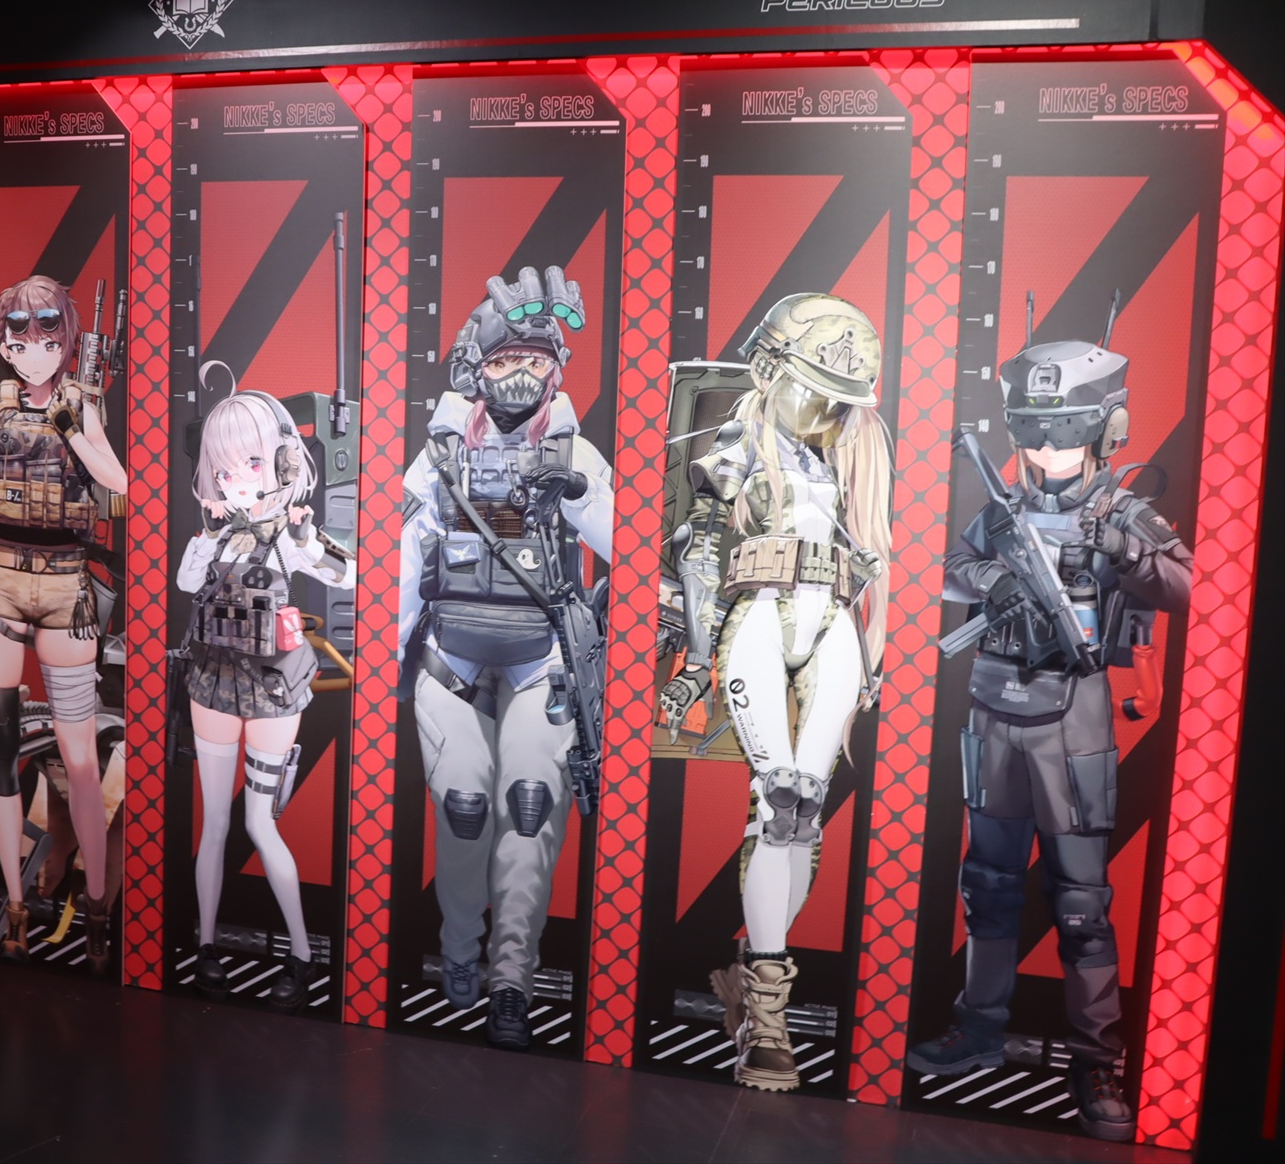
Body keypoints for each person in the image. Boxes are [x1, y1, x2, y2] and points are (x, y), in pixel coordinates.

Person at [907, 333, 1192, 1142]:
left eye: (1061, 434)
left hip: (1074, 716)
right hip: (995, 707)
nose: (1042, 451)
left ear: (1103, 429)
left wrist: (1125, 553)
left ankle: (1095, 1059)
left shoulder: (1123, 512)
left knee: (1080, 906)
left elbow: (1187, 586)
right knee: (989, 885)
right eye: (1031, 433)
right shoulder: (1002, 510)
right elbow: (949, 567)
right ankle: (979, 1028)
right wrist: (995, 578)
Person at [658, 293, 894, 1090]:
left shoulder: (857, 451)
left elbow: (874, 562)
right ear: (770, 371)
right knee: (780, 799)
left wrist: (873, 653)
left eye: (839, 399)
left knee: (802, 810)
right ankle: (767, 1017)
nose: (827, 411)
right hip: (759, 612)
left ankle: (757, 983)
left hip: (831, 623)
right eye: (814, 392)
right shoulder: (738, 443)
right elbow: (699, 555)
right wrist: (697, 662)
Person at [399, 265, 613, 1050]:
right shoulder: (440, 454)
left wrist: (579, 492)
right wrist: (385, 655)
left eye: (534, 360)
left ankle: (512, 979)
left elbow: (627, 545)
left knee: (528, 806)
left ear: (556, 369)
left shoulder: (575, 452)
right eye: (504, 360)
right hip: (450, 652)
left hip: (539, 655)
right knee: (463, 807)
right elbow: (404, 561)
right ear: (477, 369)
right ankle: (460, 950)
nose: (519, 374)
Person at [0, 275, 127, 971]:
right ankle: (15, 906)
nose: (32, 349)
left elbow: (118, 487)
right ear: (4, 345)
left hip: (64, 588)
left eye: (47, 337)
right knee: (1, 753)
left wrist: (71, 429)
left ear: (66, 343)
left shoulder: (81, 404)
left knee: (80, 760)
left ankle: (95, 909)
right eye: (18, 337)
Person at [178, 366, 355, 1009]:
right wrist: (210, 532)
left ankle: (301, 956)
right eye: (223, 468)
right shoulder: (219, 532)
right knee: (215, 823)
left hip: (273, 687)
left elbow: (345, 574)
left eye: (249, 462)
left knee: (259, 822)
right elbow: (187, 581)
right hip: (213, 680)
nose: (235, 478)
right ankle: (206, 946)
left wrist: (304, 535)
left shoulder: (290, 533)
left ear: (281, 462)